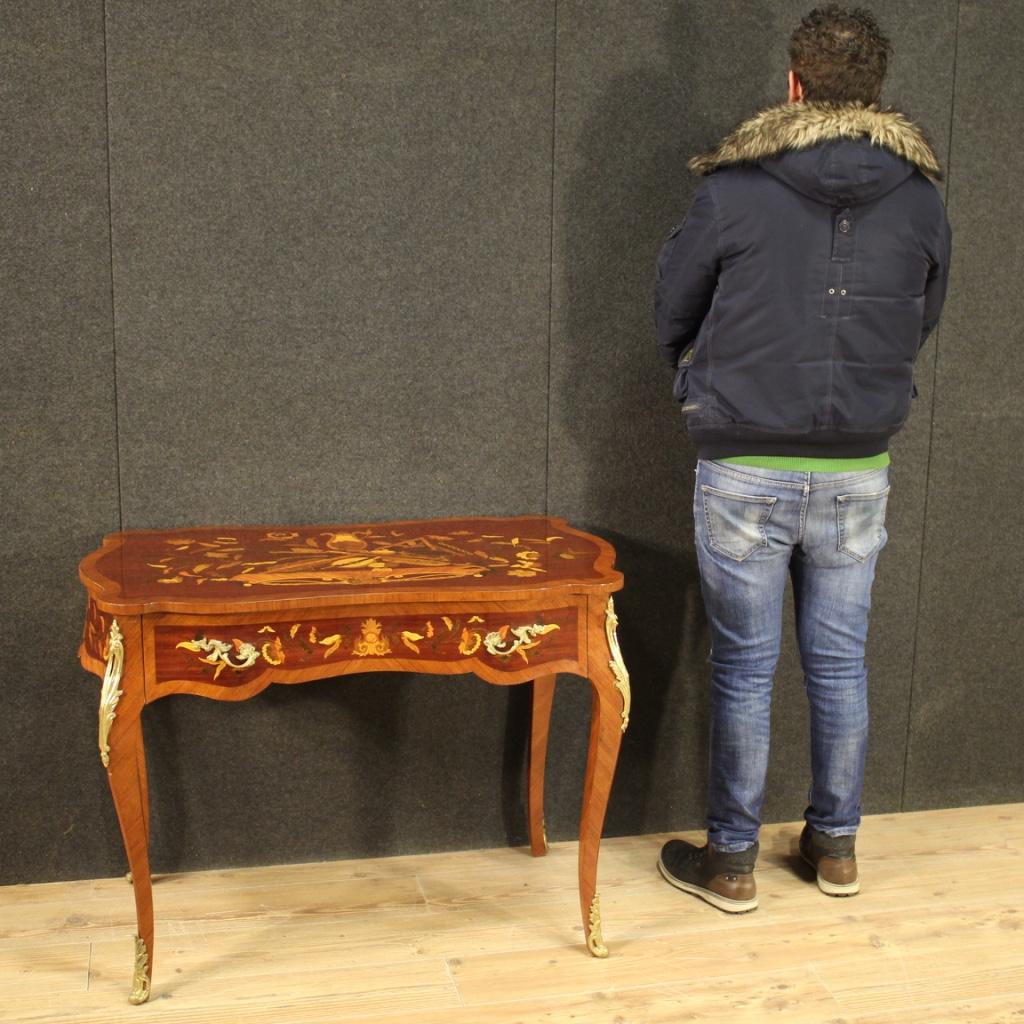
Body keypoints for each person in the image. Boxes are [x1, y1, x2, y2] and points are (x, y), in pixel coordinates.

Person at [653, 5, 951, 913]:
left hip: (744, 459)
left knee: (744, 667)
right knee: (841, 660)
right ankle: (835, 849)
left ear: (794, 85)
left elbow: (674, 301)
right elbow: (922, 318)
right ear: (876, 94)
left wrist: (696, 378)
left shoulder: (733, 189)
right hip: (860, 464)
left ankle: (734, 864)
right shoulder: (922, 197)